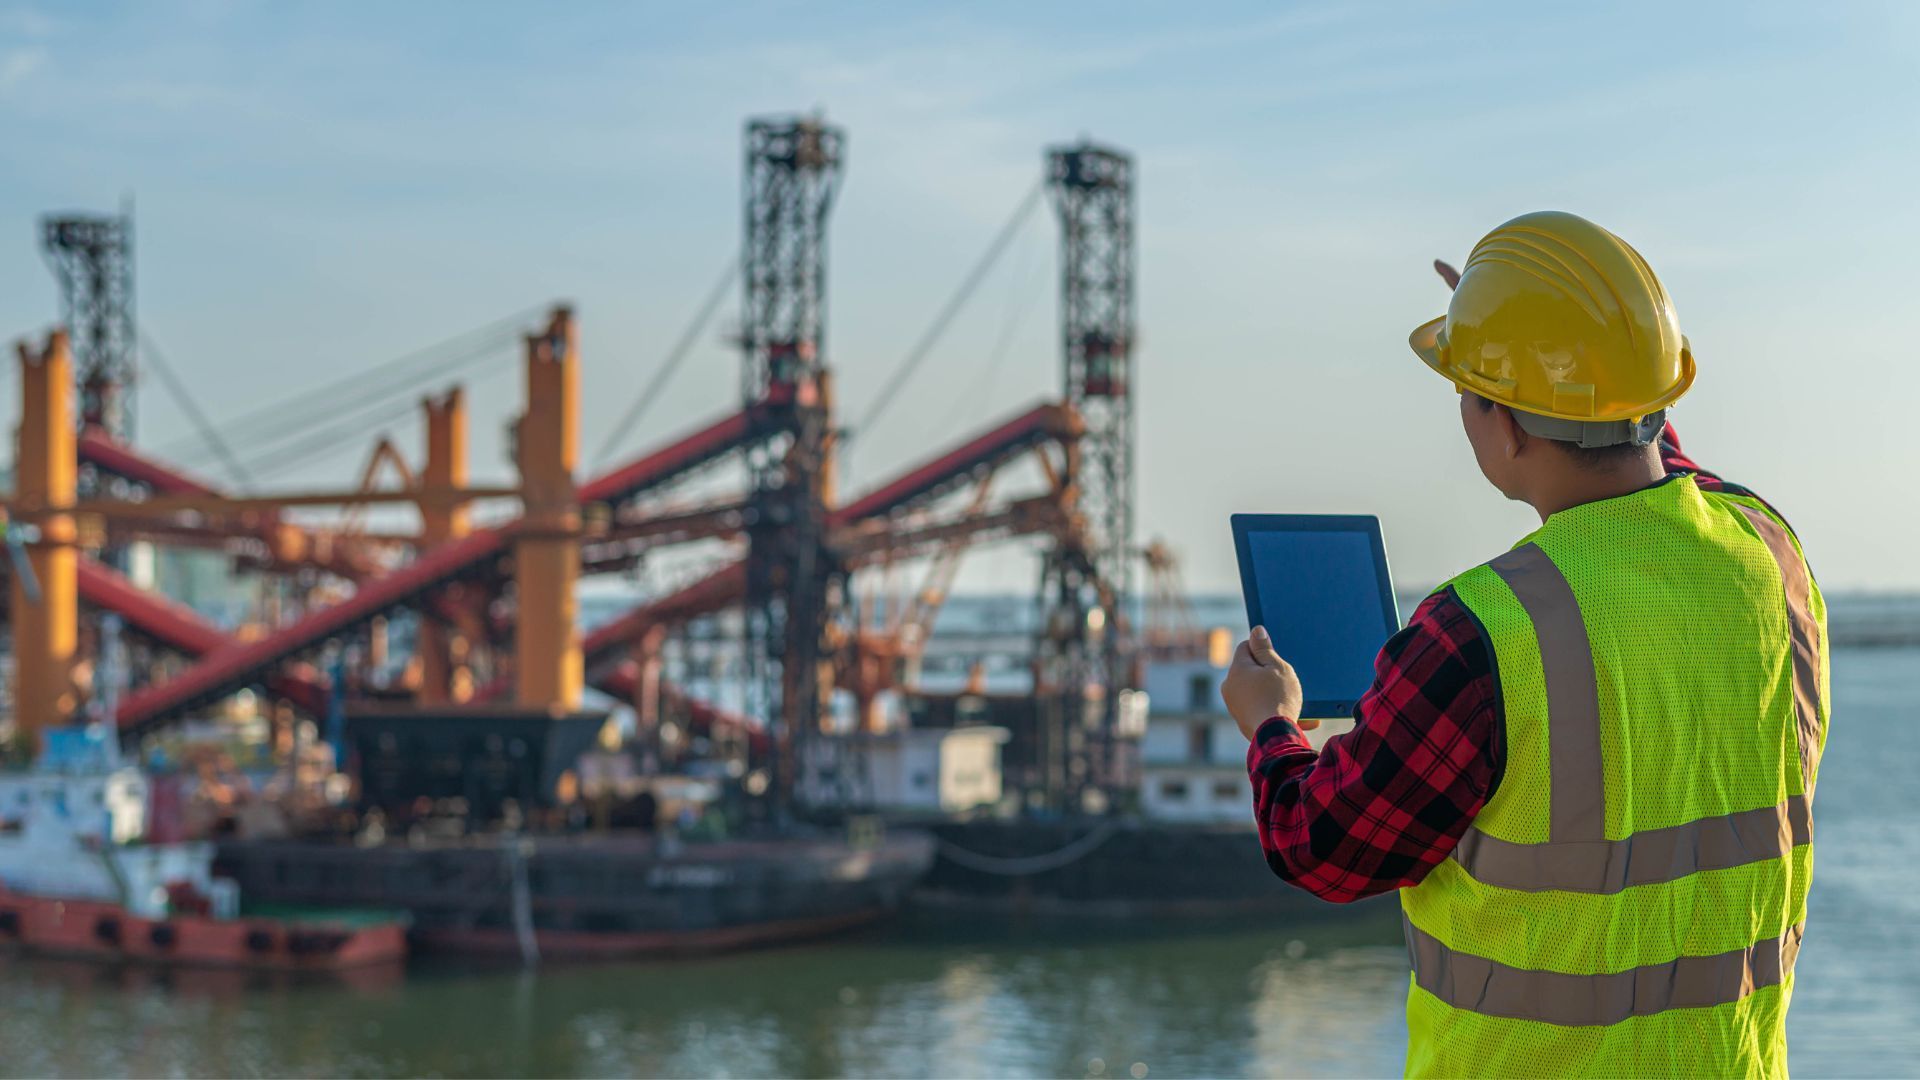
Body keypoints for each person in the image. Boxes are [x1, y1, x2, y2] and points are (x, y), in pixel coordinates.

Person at [1220, 211, 1826, 1079]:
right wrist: (1537, 340)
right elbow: (1655, 453)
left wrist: (1272, 726)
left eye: (1467, 391)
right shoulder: (1771, 553)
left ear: (1503, 425)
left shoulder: (1480, 634)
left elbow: (1322, 843)